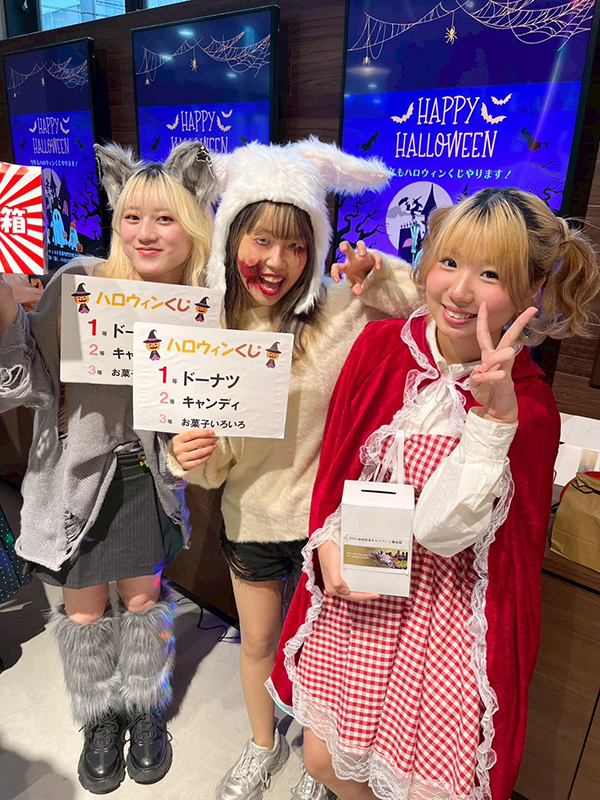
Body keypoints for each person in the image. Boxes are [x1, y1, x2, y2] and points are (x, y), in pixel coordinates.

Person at [268, 187, 600, 800]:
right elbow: (340, 467)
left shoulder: (529, 405)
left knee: (415, 786)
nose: (460, 291)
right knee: (322, 759)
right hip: (367, 589)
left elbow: (443, 532)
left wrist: (492, 423)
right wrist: (329, 542)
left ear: (531, 290)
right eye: (449, 262)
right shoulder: (380, 347)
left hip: (445, 621)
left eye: (491, 274)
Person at [169, 138, 420, 800]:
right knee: (258, 643)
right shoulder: (212, 330)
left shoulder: (339, 308)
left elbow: (429, 309)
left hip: (337, 523)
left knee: (334, 655)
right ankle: (263, 744)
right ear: (232, 237)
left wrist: (379, 272)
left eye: (296, 245)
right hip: (253, 515)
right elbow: (213, 460)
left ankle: (320, 757)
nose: (276, 262)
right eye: (260, 240)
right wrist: (189, 456)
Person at [0, 140, 217, 794]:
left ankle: (144, 706)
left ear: (193, 225)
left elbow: (200, 407)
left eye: (165, 218)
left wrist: (187, 450)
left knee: (144, 599)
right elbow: (28, 381)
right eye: (133, 217)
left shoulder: (200, 305)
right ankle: (99, 716)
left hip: (145, 481)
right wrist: (7, 311)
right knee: (85, 609)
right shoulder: (80, 283)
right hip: (75, 481)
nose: (146, 232)